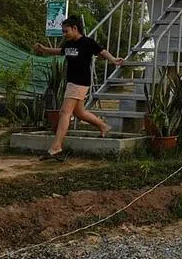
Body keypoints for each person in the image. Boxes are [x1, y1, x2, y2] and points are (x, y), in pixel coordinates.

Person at [33, 15, 124, 161]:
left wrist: (113, 59)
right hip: (71, 82)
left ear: (75, 28)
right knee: (79, 113)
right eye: (63, 31)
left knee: (64, 112)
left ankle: (56, 147)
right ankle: (103, 126)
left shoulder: (87, 42)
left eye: (66, 31)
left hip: (80, 81)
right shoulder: (68, 44)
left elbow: (102, 51)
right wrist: (44, 49)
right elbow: (60, 51)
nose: (64, 34)